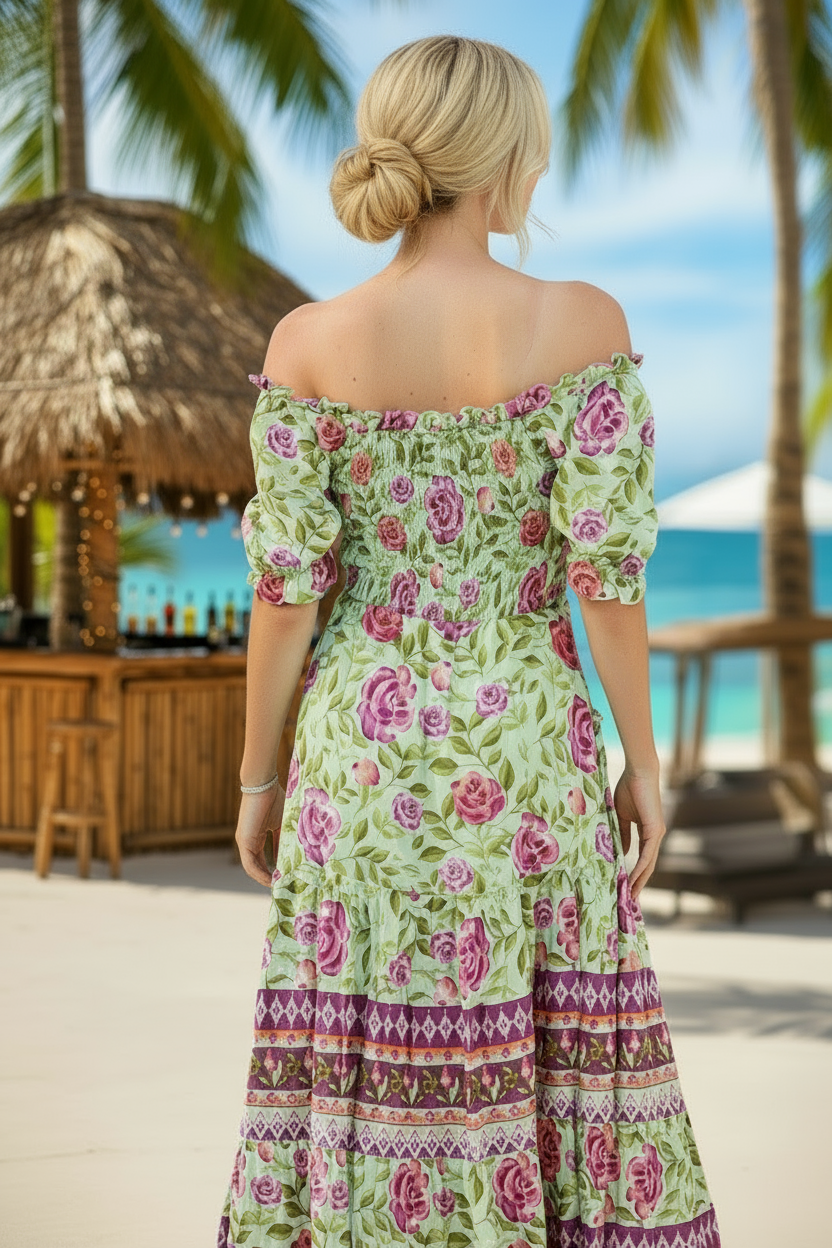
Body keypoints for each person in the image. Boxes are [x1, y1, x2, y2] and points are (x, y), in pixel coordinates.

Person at [217, 34, 720, 1248]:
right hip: (529, 754)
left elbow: (287, 594)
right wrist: (643, 765)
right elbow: (607, 579)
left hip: (360, 758)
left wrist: (258, 776)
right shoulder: (582, 323)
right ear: (506, 156)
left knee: (359, 1037)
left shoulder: (308, 343)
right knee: (553, 1048)